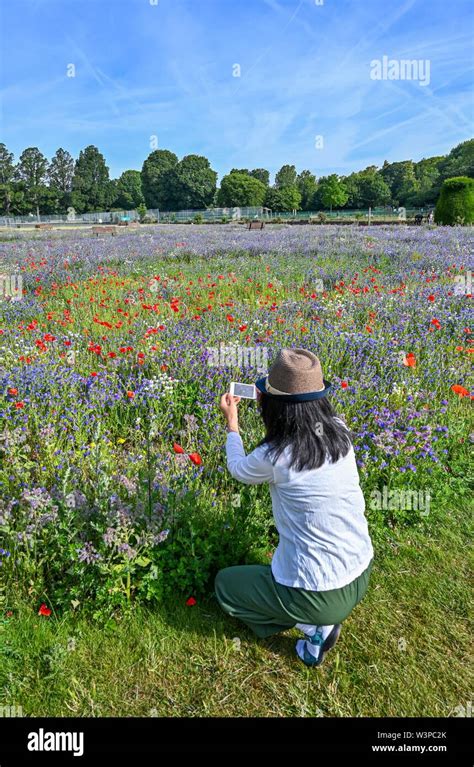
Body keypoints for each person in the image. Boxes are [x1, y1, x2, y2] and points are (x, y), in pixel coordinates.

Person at [215, 348, 374, 667]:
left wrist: (232, 425)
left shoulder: (275, 455)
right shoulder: (340, 431)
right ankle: (319, 617)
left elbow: (238, 469)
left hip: (319, 594)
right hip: (360, 572)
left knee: (226, 586)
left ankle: (315, 629)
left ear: (273, 405)